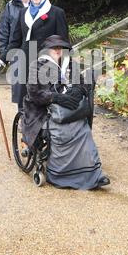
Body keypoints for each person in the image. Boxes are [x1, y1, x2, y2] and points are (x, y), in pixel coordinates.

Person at [22, 35, 110, 190]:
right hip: (43, 111)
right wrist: (56, 97)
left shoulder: (70, 65)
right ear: (47, 49)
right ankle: (59, 175)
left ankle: (93, 175)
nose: (57, 50)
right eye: (54, 47)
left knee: (83, 129)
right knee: (62, 131)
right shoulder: (37, 66)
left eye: (60, 47)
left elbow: (82, 84)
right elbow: (34, 93)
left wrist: (77, 90)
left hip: (68, 111)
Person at [0, 0, 69, 110]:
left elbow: (64, 44)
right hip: (24, 64)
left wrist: (63, 70)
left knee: (45, 103)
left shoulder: (56, 13)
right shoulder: (23, 13)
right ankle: (25, 125)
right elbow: (14, 42)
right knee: (24, 103)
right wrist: (0, 61)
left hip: (47, 65)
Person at [0, 0, 30, 101]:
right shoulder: (10, 6)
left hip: (35, 53)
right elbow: (3, 31)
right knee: (19, 92)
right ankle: (21, 118)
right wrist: (6, 54)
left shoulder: (38, 5)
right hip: (16, 53)